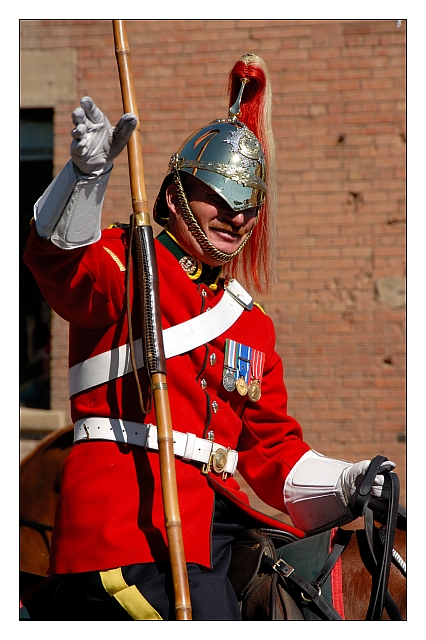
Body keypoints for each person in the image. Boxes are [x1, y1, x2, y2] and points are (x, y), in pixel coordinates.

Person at [23, 53, 394, 621]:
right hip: (126, 523)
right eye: (217, 198)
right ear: (174, 197)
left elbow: (272, 451)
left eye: (247, 206)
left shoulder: (250, 322)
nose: (235, 218)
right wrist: (83, 179)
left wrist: (350, 480)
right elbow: (64, 272)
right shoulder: (127, 259)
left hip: (216, 525)